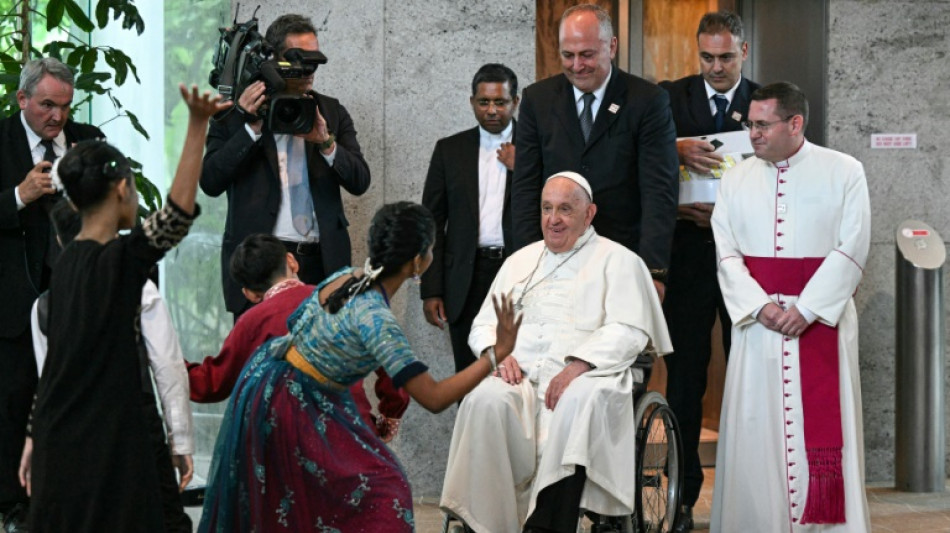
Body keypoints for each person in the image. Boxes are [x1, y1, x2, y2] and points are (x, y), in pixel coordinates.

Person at [198, 202, 522, 532]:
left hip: (273, 384)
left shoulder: (346, 277)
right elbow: (435, 398)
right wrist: (495, 354)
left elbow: (299, 324)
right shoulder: (376, 320)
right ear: (418, 262)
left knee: (308, 505)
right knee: (385, 490)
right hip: (292, 405)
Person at [25, 85, 229, 532]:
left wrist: (31, 436)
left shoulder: (65, 268)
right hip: (110, 444)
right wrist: (197, 126)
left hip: (59, 442)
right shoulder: (118, 264)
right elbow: (175, 215)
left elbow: (56, 364)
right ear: (121, 189)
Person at [441, 172, 672, 533]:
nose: (554, 219)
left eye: (565, 209)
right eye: (547, 208)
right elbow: (483, 323)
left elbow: (630, 330)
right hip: (522, 378)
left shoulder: (620, 260)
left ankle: (549, 524)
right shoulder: (519, 261)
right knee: (484, 399)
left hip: (589, 376)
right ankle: (485, 523)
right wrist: (497, 353)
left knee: (578, 400)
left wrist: (579, 364)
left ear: (589, 213)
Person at [710, 82, 871, 532]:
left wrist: (810, 308)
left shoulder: (844, 171)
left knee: (819, 435)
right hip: (758, 328)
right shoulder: (735, 177)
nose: (752, 134)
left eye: (762, 125)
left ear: (794, 123)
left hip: (822, 323)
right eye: (750, 124)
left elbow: (853, 248)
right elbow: (726, 252)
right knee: (755, 431)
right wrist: (760, 307)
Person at [21, 199, 195, 533]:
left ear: (59, 240)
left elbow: (49, 382)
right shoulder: (139, 289)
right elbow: (168, 368)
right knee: (162, 519)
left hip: (70, 430)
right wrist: (181, 442)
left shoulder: (43, 305)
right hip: (133, 421)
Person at [656, 11, 760, 531]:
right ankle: (680, 497)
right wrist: (673, 149)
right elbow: (640, 162)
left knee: (751, 374)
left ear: (744, 50)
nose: (716, 67)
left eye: (726, 56)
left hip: (748, 259)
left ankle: (751, 495)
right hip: (689, 253)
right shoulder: (670, 98)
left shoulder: (766, 102)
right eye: (707, 57)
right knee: (685, 379)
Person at [201, 13, 371, 318]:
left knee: (321, 362)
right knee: (263, 357)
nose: (308, 72)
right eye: (298, 61)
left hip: (321, 263)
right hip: (263, 265)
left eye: (314, 62)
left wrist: (326, 142)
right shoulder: (236, 112)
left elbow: (360, 181)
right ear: (274, 60)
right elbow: (210, 182)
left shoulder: (330, 111)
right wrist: (249, 127)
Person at [510, 4, 679, 298]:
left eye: (587, 54)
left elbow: (659, 191)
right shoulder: (537, 100)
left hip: (624, 260)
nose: (577, 66)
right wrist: (527, 263)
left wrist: (653, 270)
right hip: (554, 262)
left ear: (611, 46)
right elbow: (525, 188)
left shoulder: (647, 101)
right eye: (568, 55)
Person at [0, 57, 104, 530]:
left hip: (76, 293)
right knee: (15, 399)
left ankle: (73, 498)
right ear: (22, 99)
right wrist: (20, 195)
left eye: (64, 106)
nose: (57, 117)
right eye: (46, 105)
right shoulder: (0, 140)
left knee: (76, 398)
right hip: (14, 299)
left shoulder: (88, 139)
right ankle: (16, 504)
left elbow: (114, 203)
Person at [187, 232, 409, 440]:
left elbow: (212, 383)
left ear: (250, 294)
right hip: (353, 432)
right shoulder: (344, 298)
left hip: (291, 446)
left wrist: (164, 362)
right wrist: (390, 417)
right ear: (291, 261)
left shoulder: (252, 323)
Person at [421, 63, 520, 373]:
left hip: (517, 272)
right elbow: (432, 221)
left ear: (514, 102)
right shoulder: (449, 150)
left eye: (500, 102)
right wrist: (432, 288)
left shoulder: (535, 148)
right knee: (468, 375)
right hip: (465, 277)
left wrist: (525, 165)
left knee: (518, 372)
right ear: (472, 102)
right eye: (484, 102)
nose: (492, 110)